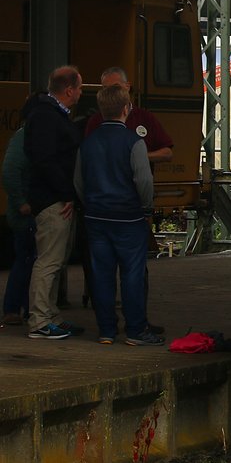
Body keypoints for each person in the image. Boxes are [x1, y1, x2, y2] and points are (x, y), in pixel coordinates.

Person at [84, 66, 171, 334]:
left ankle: (107, 330)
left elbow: (80, 177)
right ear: (124, 108)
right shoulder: (134, 141)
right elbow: (144, 181)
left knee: (102, 273)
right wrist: (145, 207)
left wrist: (90, 201)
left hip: (97, 214)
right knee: (133, 272)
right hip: (129, 214)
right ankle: (136, 329)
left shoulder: (90, 138)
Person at [24, 66, 85, 340]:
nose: (82, 93)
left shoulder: (47, 114)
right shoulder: (47, 117)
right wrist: (66, 193)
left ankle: (49, 315)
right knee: (48, 261)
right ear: (69, 90)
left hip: (54, 197)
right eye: (80, 88)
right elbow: (45, 159)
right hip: (52, 201)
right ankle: (39, 319)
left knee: (55, 260)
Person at [2, 101, 35, 326]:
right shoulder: (24, 137)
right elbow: (10, 169)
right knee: (25, 259)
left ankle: (21, 307)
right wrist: (21, 202)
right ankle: (13, 308)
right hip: (25, 212)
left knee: (27, 259)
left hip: (26, 209)